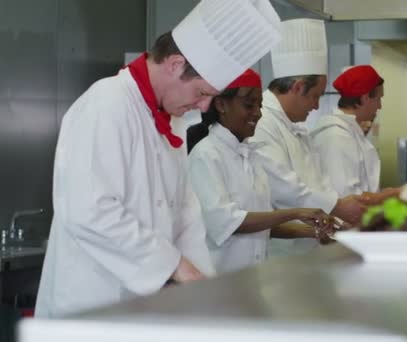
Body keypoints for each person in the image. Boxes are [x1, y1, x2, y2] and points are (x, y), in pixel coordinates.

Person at [35, 0, 281, 318]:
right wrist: (174, 266)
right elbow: (90, 209)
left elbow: (185, 215)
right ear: (176, 64)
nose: (204, 108)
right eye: (202, 93)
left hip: (139, 310)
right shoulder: (107, 103)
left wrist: (203, 287)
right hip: (90, 305)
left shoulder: (171, 121)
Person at [187, 69, 337, 273]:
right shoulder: (206, 155)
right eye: (249, 105)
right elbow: (229, 222)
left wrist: (312, 232)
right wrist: (296, 212)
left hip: (252, 276)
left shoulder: (252, 154)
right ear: (221, 104)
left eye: (259, 105)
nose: (257, 113)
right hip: (221, 278)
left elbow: (262, 223)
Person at [250, 18, 365, 256]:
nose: (316, 106)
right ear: (297, 87)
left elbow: (319, 182)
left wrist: (337, 220)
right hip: (277, 254)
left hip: (307, 248)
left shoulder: (296, 128)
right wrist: (337, 206)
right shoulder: (261, 122)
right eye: (315, 96)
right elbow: (282, 188)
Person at [311, 65, 385, 198]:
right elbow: (345, 196)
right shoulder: (336, 137)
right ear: (365, 98)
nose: (380, 106)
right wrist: (388, 195)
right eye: (378, 98)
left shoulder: (349, 132)